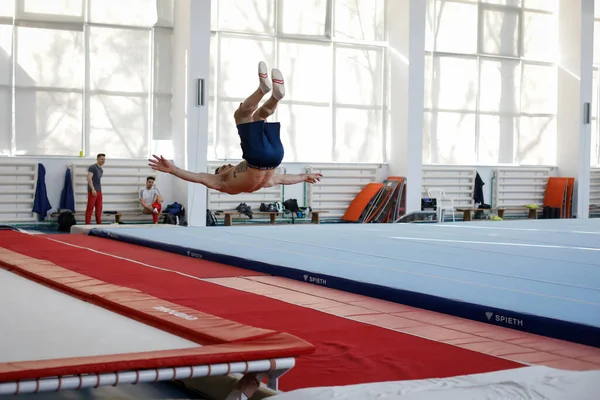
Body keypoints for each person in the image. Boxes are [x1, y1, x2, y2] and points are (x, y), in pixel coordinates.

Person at [148, 62, 322, 193]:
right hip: (259, 157)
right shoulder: (221, 180)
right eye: (224, 166)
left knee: (259, 116)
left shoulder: (250, 182)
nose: (228, 165)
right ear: (220, 172)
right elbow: (199, 177)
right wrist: (172, 170)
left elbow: (283, 179)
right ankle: (263, 90)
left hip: (275, 157)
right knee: (241, 116)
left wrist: (304, 177)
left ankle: (276, 96)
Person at [85, 153, 105, 225]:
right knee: (90, 208)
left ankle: (99, 224)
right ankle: (87, 225)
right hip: (93, 190)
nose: (103, 161)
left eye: (104, 159)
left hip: (99, 190)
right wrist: (92, 189)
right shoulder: (92, 167)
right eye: (101, 159)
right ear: (97, 159)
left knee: (99, 209)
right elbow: (89, 178)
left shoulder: (101, 170)